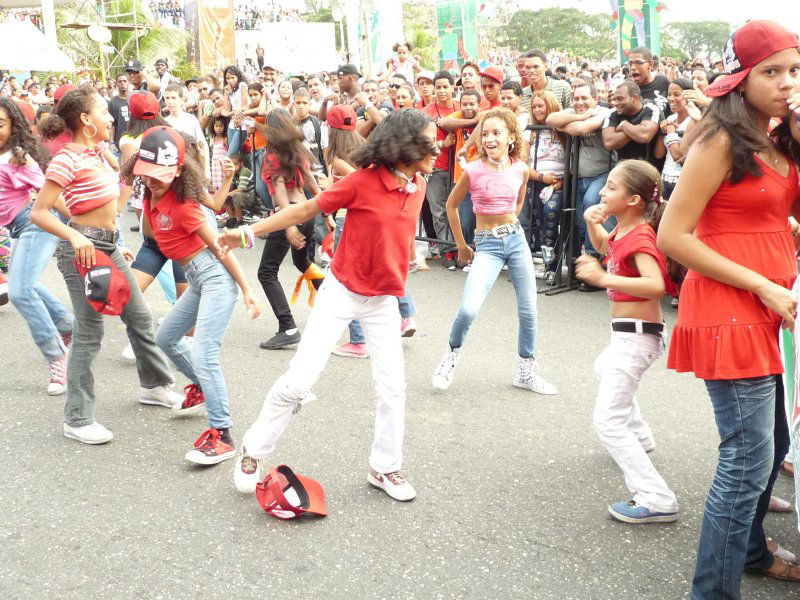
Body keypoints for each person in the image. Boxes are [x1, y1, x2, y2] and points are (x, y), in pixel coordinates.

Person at [222, 109, 437, 502]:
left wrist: (404, 261)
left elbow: (401, 236)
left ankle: (384, 466)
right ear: (407, 146)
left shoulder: (418, 184)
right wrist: (246, 232)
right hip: (342, 291)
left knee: (393, 389)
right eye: (429, 142)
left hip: (382, 300)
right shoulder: (361, 182)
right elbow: (304, 210)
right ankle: (253, 450)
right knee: (300, 379)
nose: (437, 150)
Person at [657, 21, 800, 595]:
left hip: (773, 306)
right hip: (731, 305)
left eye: (794, 71)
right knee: (746, 460)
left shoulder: (782, 138)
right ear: (740, 81)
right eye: (771, 72)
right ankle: (711, 591)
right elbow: (673, 235)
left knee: (776, 444)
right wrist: (761, 285)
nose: (786, 83)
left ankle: (750, 550)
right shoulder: (722, 141)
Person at [31, 87, 181, 445]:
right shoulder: (66, 158)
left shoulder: (99, 152)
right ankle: (77, 418)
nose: (111, 117)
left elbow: (101, 200)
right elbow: (40, 211)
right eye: (103, 111)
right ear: (85, 120)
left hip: (106, 246)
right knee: (89, 331)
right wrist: (77, 236)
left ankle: (154, 385)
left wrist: (109, 238)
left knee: (140, 317)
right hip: (81, 252)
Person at [122, 126, 260, 464]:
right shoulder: (149, 196)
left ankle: (223, 435)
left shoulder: (187, 207)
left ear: (180, 171)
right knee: (167, 338)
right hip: (198, 279)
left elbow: (220, 248)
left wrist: (246, 290)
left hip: (214, 277)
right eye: (147, 174)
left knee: (205, 353)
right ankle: (202, 387)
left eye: (161, 175)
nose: (154, 181)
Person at [575, 159, 679, 524]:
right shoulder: (624, 230)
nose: (603, 191)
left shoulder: (641, 236)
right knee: (603, 368)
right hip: (629, 335)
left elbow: (655, 285)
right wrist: (594, 225)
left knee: (607, 422)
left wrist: (603, 279)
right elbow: (607, 246)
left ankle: (656, 497)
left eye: (612, 188)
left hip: (637, 337)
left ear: (634, 199)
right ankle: (641, 437)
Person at [433, 108, 556, 395]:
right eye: (485, 133)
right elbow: (451, 206)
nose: (489, 138)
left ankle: (525, 370)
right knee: (468, 309)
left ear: (511, 137)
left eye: (496, 133)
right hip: (486, 245)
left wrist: (508, 225)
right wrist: (463, 245)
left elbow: (519, 202)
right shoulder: (473, 170)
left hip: (516, 242)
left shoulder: (520, 169)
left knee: (529, 310)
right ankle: (451, 354)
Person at [0, 97, 74, 395]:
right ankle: (67, 325)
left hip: (35, 225)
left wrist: (81, 227)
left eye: (0, 124)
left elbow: (49, 193)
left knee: (19, 291)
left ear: (14, 125)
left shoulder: (18, 158)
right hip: (18, 229)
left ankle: (57, 356)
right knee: (24, 283)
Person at [254, 108, 324, 350]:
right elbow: (312, 182)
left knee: (266, 272)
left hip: (290, 214)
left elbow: (280, 190)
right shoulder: (298, 152)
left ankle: (288, 327)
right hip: (307, 212)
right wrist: (324, 208)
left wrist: (289, 225)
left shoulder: (272, 156)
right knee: (303, 263)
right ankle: (333, 304)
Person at [547, 82, 617, 271]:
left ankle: (595, 258)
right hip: (578, 176)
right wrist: (581, 116)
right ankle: (589, 260)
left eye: (585, 98)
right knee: (580, 218)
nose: (580, 102)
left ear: (595, 99)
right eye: (576, 98)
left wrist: (565, 125)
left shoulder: (604, 112)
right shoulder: (577, 111)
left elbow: (579, 130)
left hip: (602, 174)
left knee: (591, 206)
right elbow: (551, 118)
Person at [525, 90, 566, 279]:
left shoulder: (563, 129)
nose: (537, 109)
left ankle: (554, 265)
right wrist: (541, 177)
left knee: (551, 216)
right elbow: (522, 163)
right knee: (542, 226)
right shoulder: (531, 131)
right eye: (534, 106)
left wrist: (559, 181)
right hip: (537, 182)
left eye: (541, 105)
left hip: (560, 184)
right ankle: (550, 265)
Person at [422, 71, 460, 269]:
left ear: (453, 87)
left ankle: (461, 248)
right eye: (438, 87)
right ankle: (447, 250)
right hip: (436, 167)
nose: (442, 91)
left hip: (460, 168)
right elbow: (420, 141)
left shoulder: (463, 106)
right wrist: (443, 143)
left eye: (446, 86)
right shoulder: (427, 112)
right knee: (439, 211)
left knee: (459, 210)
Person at [654, 78, 701, 200]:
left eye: (677, 94)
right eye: (669, 94)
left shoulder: (694, 120)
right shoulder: (671, 118)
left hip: (683, 182)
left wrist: (670, 130)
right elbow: (659, 154)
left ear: (688, 96)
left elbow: (677, 155)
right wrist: (662, 131)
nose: (671, 99)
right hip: (665, 180)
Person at [602, 80, 661, 165]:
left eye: (620, 99)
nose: (615, 103)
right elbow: (609, 142)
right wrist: (636, 129)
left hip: (649, 171)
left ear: (635, 98)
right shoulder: (613, 113)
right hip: (624, 170)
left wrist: (623, 125)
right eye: (614, 99)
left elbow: (644, 135)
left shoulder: (651, 109)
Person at [627, 47, 670, 117]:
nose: (633, 67)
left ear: (650, 64)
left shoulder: (664, 82)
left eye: (638, 63)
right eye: (630, 63)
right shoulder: (627, 88)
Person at [222, 65, 249, 157]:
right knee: (234, 156)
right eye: (227, 78)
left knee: (229, 156)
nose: (230, 80)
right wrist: (226, 94)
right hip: (231, 125)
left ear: (238, 77)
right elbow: (225, 109)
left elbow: (244, 106)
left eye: (232, 77)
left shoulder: (242, 85)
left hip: (242, 125)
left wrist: (232, 114)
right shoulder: (231, 91)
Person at [107, 73, 130, 153]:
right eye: (120, 81)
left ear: (128, 82)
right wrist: (111, 143)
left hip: (135, 140)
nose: (123, 83)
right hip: (120, 142)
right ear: (116, 84)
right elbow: (112, 125)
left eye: (125, 81)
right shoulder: (112, 103)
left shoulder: (135, 99)